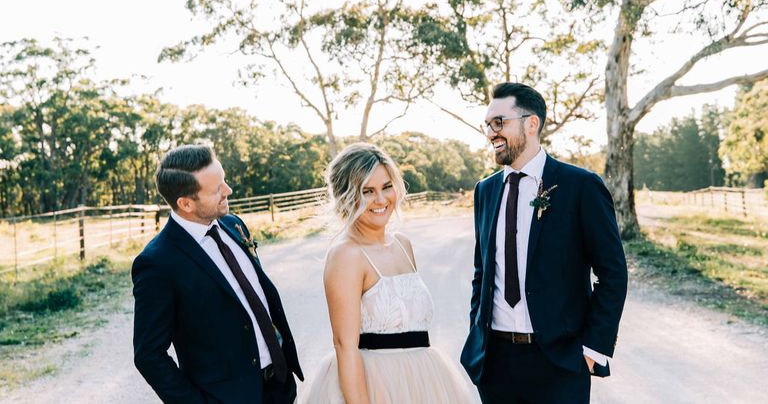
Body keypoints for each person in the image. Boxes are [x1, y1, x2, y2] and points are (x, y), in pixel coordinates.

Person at [461, 82, 628, 404]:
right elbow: (482, 273)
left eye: (499, 122)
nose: (491, 133)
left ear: (531, 123)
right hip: (495, 363)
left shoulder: (581, 186)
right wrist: (476, 334)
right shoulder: (485, 190)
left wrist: (592, 349)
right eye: (488, 125)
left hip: (560, 362)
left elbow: (613, 274)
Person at [303, 142, 473, 404]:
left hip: (426, 383)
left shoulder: (403, 245)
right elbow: (344, 347)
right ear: (346, 196)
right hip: (375, 387)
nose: (381, 200)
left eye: (386, 187)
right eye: (367, 191)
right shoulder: (346, 255)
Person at [132, 144, 303, 404]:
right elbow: (148, 354)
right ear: (185, 203)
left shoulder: (234, 225)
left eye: (224, 181)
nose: (228, 191)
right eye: (216, 190)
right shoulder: (157, 263)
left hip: (280, 385)